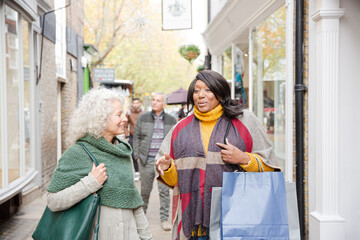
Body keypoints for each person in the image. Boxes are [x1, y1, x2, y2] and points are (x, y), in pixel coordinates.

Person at [155, 70, 280, 240]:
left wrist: (243, 159)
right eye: (197, 90)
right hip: (194, 224)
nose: (200, 95)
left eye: (207, 90)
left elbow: (270, 165)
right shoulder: (180, 129)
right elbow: (175, 181)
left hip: (237, 218)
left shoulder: (244, 120)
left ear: (220, 93)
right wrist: (167, 168)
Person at [46, 87, 152, 240]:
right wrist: (90, 182)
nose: (125, 119)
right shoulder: (78, 153)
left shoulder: (123, 151)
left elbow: (133, 200)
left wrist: (147, 236)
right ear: (101, 118)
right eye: (119, 114)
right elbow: (53, 201)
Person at [133, 93, 177, 231]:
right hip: (146, 161)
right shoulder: (143, 117)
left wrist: (171, 159)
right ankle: (141, 219)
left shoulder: (171, 120)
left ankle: (164, 219)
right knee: (145, 192)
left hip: (163, 162)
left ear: (164, 104)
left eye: (158, 100)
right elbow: (136, 137)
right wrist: (137, 155)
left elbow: (174, 139)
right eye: (153, 100)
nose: (154, 102)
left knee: (164, 192)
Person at [125, 97, 143, 181]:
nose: (135, 105)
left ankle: (142, 171)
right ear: (132, 104)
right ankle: (137, 172)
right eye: (134, 103)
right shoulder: (129, 113)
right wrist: (127, 136)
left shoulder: (143, 113)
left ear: (139, 104)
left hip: (142, 136)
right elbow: (125, 125)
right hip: (132, 136)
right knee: (133, 154)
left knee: (142, 153)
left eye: (137, 103)